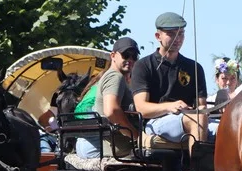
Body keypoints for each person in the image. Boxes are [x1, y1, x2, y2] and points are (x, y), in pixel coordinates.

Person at [130, 12, 216, 153]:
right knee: (198, 119)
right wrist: (170, 106)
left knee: (230, 128)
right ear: (158, 36)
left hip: (191, 119)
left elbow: (201, 106)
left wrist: (198, 110)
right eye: (171, 33)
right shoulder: (143, 65)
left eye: (181, 33)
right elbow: (141, 108)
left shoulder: (194, 67)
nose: (178, 38)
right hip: (156, 122)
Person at [74, 37, 141, 158]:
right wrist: (136, 136)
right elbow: (112, 111)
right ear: (113, 55)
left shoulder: (110, 76)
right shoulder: (116, 77)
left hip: (93, 143)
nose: (130, 60)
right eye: (126, 55)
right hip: (105, 148)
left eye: (134, 56)